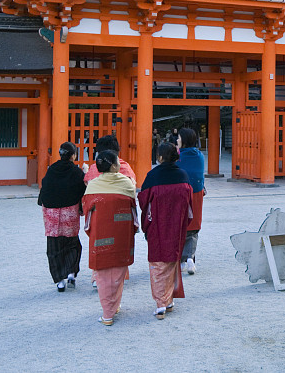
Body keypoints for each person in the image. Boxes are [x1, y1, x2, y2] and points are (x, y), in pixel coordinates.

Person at [137, 142, 193, 320]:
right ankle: (168, 300)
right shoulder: (183, 176)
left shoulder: (153, 176)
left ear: (160, 157)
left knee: (157, 263)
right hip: (176, 225)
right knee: (171, 260)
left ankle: (161, 303)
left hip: (157, 225)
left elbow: (143, 200)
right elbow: (188, 203)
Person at [82, 150, 138, 326]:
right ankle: (112, 307)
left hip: (101, 234)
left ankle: (108, 312)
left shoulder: (92, 186)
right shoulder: (127, 185)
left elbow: (87, 211)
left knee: (103, 274)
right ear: (114, 166)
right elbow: (133, 207)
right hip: (121, 233)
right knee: (119, 271)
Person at [37, 142, 86, 292]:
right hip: (69, 212)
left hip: (52, 213)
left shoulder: (52, 170)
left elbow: (45, 187)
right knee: (71, 243)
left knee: (54, 246)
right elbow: (82, 189)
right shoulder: (76, 172)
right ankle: (71, 273)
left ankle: (59, 281)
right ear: (73, 155)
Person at [176, 127, 205, 275]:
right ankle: (190, 258)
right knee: (193, 227)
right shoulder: (199, 155)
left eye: (179, 138)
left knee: (179, 226)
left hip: (181, 194)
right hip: (197, 193)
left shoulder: (178, 156)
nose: (177, 140)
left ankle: (181, 259)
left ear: (184, 140)